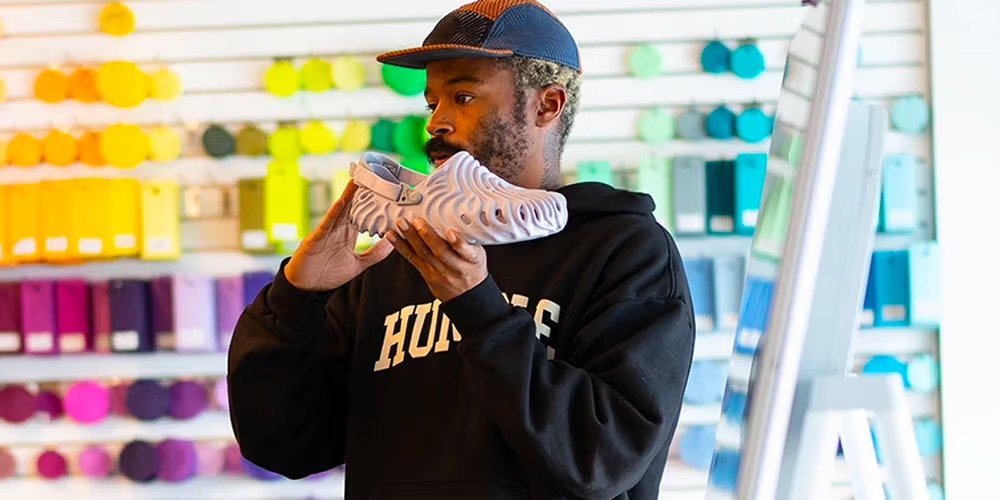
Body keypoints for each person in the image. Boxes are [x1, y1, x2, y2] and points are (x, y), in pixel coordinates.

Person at [227, 1, 696, 498]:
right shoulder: (396, 254)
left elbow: (600, 458)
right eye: (432, 103)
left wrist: (478, 309)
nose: (436, 123)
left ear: (547, 105)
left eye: (463, 97)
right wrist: (296, 296)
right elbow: (282, 442)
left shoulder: (625, 251)